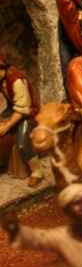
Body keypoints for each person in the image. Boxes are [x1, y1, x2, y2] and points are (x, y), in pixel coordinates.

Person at [0, 54, 44, 187]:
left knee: (22, 142)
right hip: (13, 109)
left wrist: (7, 125)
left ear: (2, 69)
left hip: (27, 113)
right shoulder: (1, 79)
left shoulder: (16, 81)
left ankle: (37, 171)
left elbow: (22, 109)